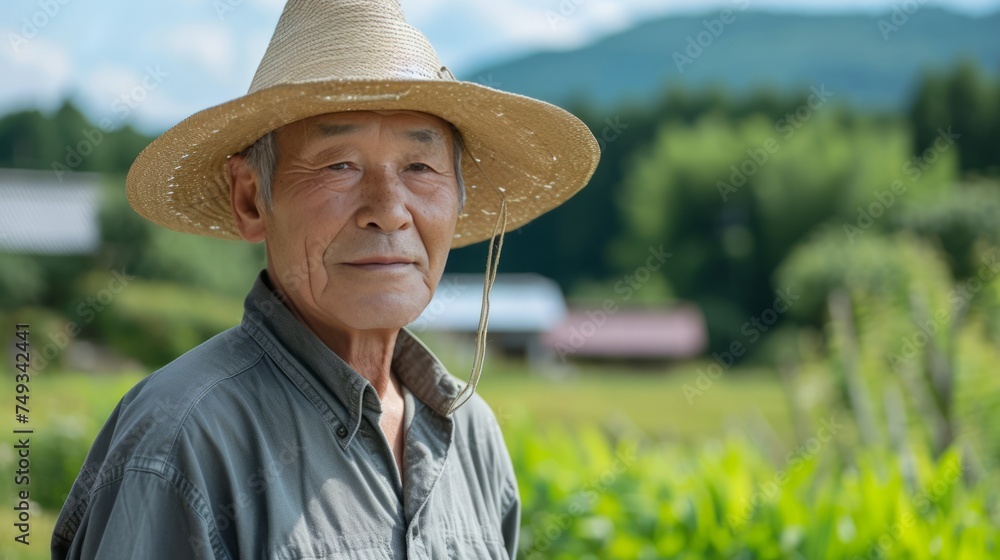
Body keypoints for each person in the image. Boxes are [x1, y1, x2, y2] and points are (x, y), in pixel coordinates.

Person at [51, 0, 599, 558]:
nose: (388, 209)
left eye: (420, 167)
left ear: (456, 199)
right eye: (339, 165)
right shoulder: (185, 438)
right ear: (251, 197)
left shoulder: (471, 434)